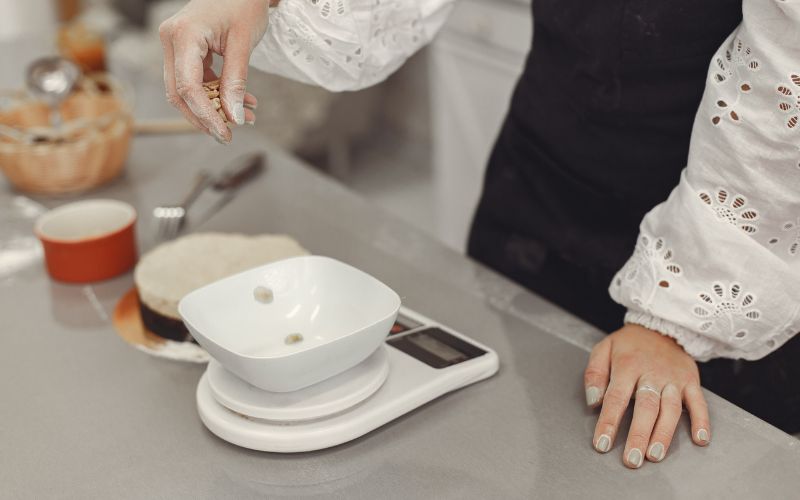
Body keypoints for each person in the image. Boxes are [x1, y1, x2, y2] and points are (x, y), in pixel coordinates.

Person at [158, 0, 800, 468]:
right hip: (542, 187)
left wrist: (675, 319)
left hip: (738, 254)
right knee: (547, 453)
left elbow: (784, 95)